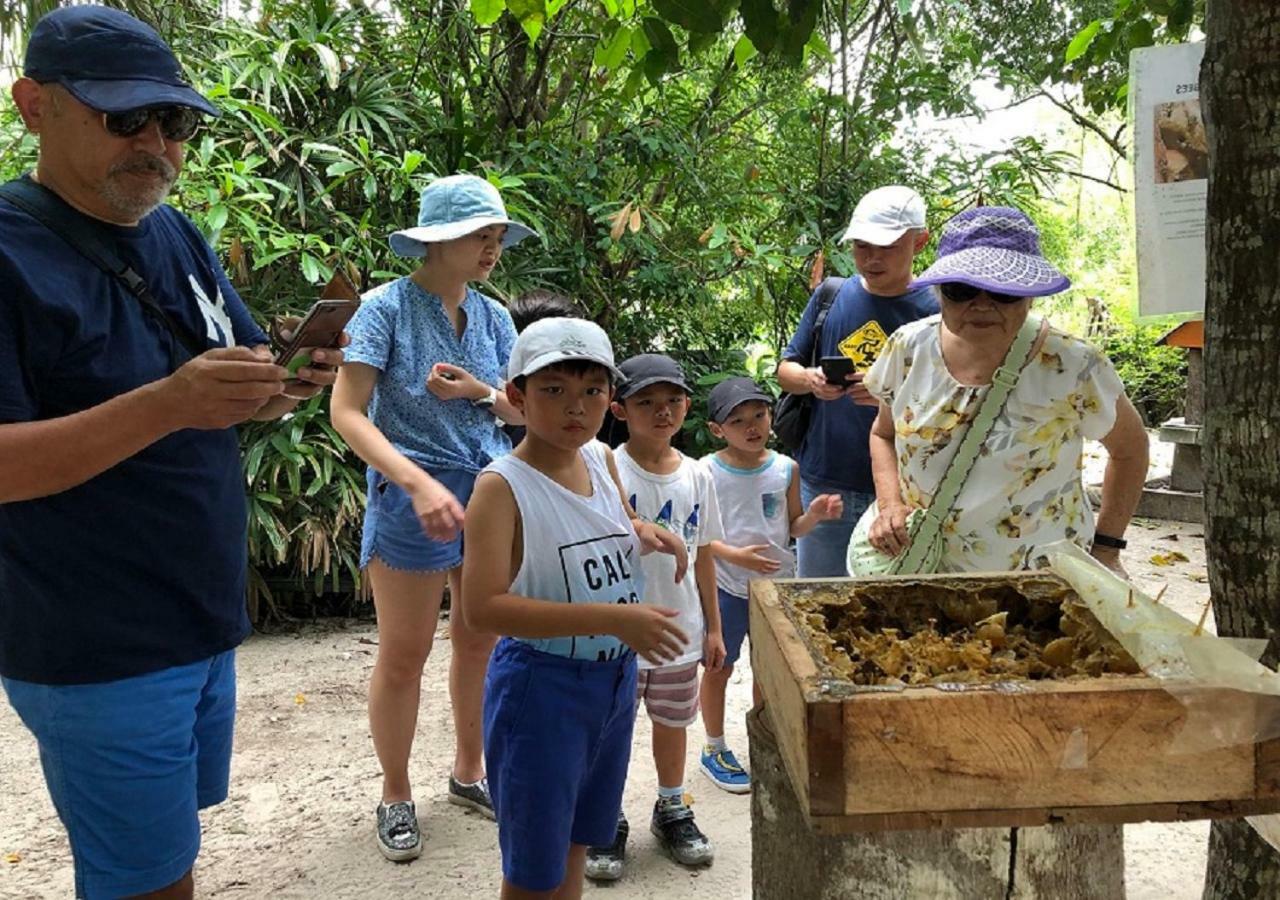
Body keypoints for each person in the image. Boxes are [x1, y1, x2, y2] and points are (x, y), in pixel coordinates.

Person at [0, 7, 343, 899]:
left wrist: (281, 387)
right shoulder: (8, 251)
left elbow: (220, 400)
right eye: (125, 119)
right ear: (34, 105)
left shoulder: (175, 234)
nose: (155, 142)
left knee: (166, 858)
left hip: (198, 615)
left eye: (174, 121)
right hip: (97, 640)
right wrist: (167, 404)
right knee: (141, 882)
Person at [330, 174, 533, 861]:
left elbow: (521, 409)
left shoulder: (497, 317)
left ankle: (469, 772)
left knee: (479, 640)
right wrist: (414, 483)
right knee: (404, 652)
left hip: (488, 495)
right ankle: (394, 792)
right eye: (482, 235)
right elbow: (346, 412)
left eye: (498, 237)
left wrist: (481, 392)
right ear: (437, 240)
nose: (493, 249)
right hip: (410, 494)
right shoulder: (382, 308)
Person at [460, 317, 689, 900]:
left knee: (578, 842)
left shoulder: (599, 460)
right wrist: (614, 619)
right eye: (553, 390)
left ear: (610, 398)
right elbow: (483, 609)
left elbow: (610, 522)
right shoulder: (501, 486)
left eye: (592, 391)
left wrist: (648, 531)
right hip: (542, 688)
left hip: (611, 682)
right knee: (533, 869)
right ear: (516, 395)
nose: (576, 409)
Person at [860, 205, 1149, 575]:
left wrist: (1108, 548)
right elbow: (882, 434)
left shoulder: (1074, 365)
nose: (982, 305)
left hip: (1036, 586)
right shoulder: (907, 348)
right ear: (940, 292)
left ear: (1030, 294)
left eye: (1004, 291)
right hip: (921, 573)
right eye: (961, 289)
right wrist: (890, 506)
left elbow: (1131, 449)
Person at [585, 354, 726, 880]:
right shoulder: (603, 467)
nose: (661, 412)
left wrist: (714, 627)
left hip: (680, 632)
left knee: (672, 724)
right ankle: (605, 816)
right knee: (608, 731)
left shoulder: (698, 474)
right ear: (620, 409)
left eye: (672, 401)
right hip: (617, 633)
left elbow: (705, 550)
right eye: (646, 402)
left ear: (687, 407)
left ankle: (672, 807)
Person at [776, 185, 938, 576]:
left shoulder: (937, 309)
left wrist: (892, 395)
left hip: (905, 494)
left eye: (887, 247)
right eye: (862, 246)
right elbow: (786, 370)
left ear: (919, 242)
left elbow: (953, 400)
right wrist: (811, 380)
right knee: (817, 601)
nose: (872, 258)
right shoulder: (832, 295)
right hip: (825, 481)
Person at [697, 377, 843, 792]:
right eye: (737, 420)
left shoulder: (785, 468)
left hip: (775, 587)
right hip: (726, 586)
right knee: (718, 667)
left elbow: (791, 525)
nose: (751, 426)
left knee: (770, 669)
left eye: (759, 415)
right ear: (716, 430)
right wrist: (734, 555)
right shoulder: (706, 471)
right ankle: (714, 745)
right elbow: (701, 536)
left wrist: (814, 516)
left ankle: (765, 741)